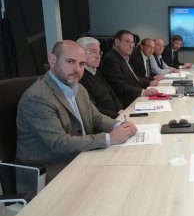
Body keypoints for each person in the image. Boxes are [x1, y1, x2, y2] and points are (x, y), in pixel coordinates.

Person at [16, 40, 137, 189]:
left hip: (79, 158)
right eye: (70, 61)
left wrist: (120, 125)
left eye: (81, 64)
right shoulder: (38, 98)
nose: (77, 69)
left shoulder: (78, 87)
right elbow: (60, 144)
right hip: (51, 172)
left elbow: (96, 117)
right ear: (52, 60)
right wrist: (109, 138)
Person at [100, 30, 158, 108]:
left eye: (132, 43)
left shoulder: (123, 57)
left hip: (135, 98)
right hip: (126, 103)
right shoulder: (111, 59)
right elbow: (120, 86)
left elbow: (135, 79)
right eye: (127, 42)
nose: (131, 46)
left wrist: (149, 82)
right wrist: (143, 92)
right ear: (117, 42)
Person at [77, 37, 123, 119]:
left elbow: (111, 93)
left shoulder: (96, 71)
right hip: (104, 121)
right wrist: (117, 116)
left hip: (116, 116)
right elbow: (93, 109)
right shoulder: (80, 77)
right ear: (80, 53)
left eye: (99, 52)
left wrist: (120, 109)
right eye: (93, 52)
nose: (98, 56)